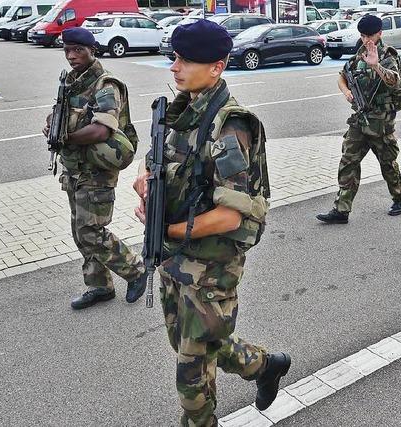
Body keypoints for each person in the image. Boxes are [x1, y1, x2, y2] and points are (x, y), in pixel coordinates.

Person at [132, 20, 291, 426]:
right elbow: (168, 172)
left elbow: (230, 214)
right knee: (194, 343)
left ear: (216, 68)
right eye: (175, 58)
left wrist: (165, 229)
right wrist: (148, 186)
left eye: (185, 60)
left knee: (192, 366)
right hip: (176, 256)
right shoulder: (181, 113)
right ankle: (263, 366)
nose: (174, 67)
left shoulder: (230, 126)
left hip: (211, 265)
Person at [42, 27, 148, 309]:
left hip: (97, 170)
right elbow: (63, 113)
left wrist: (67, 139)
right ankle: (99, 285)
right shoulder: (71, 81)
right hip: (75, 169)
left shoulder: (106, 85)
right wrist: (52, 125)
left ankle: (136, 269)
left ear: (93, 50)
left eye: (78, 50)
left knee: (91, 231)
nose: (71, 56)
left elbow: (102, 130)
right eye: (67, 50)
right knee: (80, 231)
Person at [317, 14, 401, 224]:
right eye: (363, 35)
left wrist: (376, 65)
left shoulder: (389, 56)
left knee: (387, 163)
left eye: (370, 36)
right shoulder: (358, 54)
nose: (367, 40)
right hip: (360, 120)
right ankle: (341, 209)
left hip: (381, 122)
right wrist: (346, 92)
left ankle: (399, 197)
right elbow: (342, 76)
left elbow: (395, 81)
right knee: (348, 161)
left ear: (380, 34)